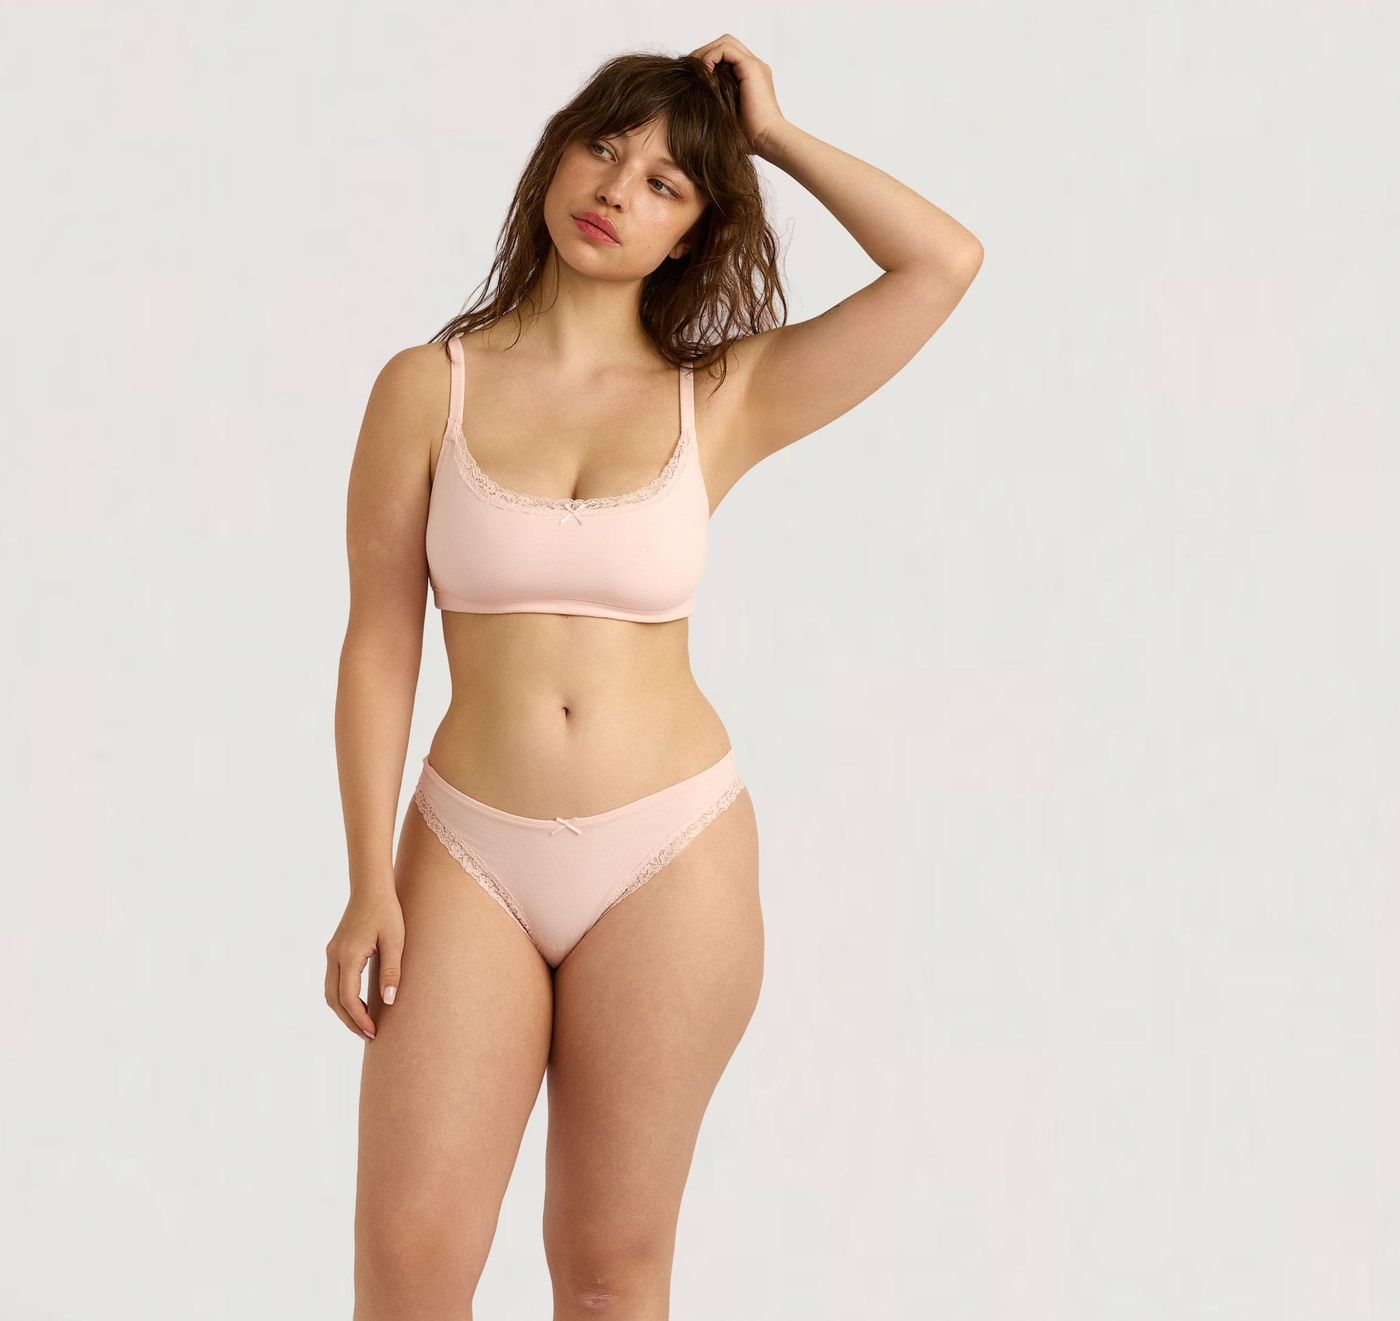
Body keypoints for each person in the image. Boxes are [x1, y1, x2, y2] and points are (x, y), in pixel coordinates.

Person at [325, 34, 982, 1320]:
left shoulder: (721, 396)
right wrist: (364, 883)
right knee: (408, 1265)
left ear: (692, 230)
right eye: (603, 148)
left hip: (667, 854)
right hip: (465, 849)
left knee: (609, 1270)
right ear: (554, 156)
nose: (617, 190)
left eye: (666, 182)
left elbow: (940, 263)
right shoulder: (425, 388)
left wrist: (770, 135)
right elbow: (378, 641)